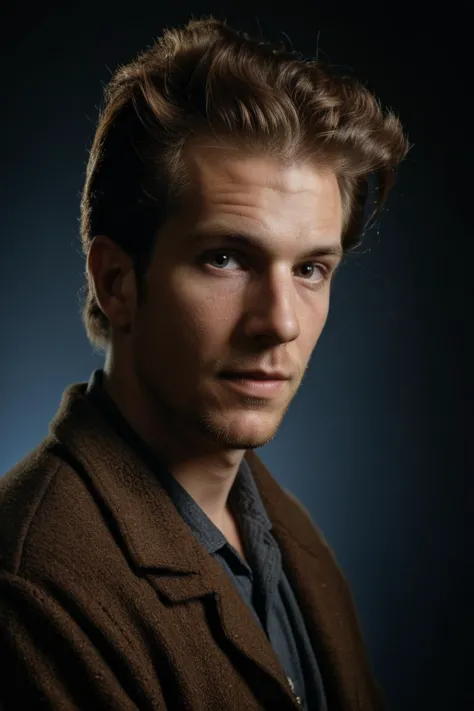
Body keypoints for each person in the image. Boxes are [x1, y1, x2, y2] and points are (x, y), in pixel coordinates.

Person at [0, 16, 409, 711]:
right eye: (225, 257)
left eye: (311, 268)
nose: (280, 321)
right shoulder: (32, 589)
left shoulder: (288, 538)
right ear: (118, 281)